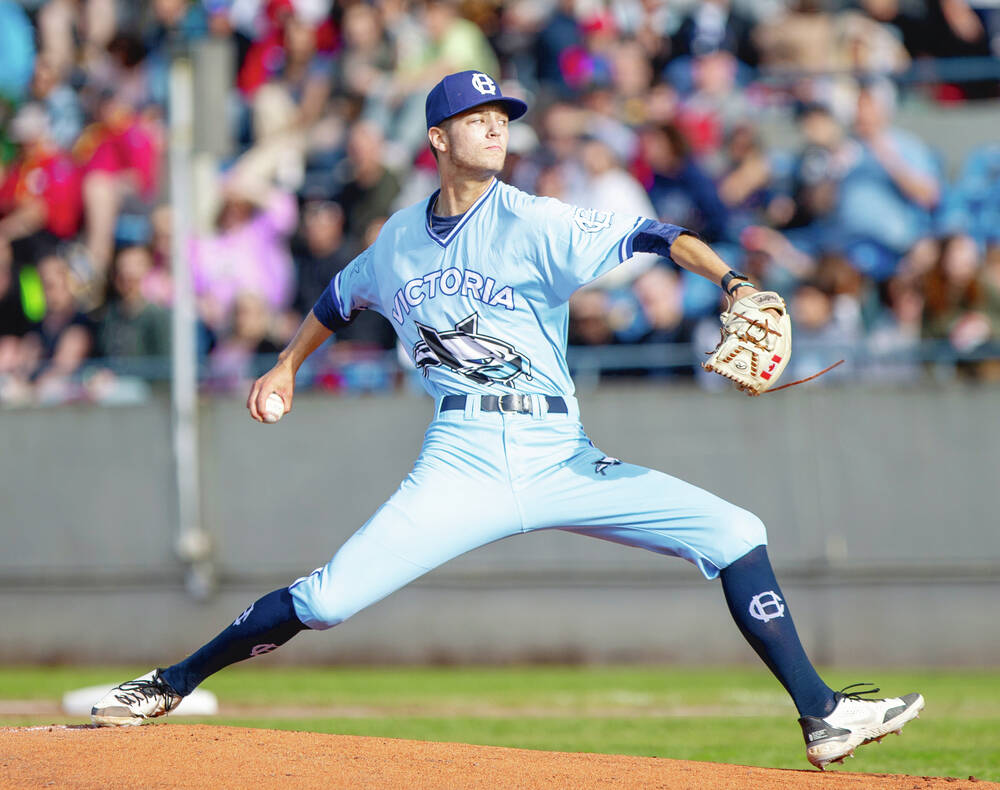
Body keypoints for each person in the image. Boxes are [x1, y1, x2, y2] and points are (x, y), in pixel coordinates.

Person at [91, 70, 923, 771]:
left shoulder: (536, 219)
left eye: (501, 119)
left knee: (735, 530)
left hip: (559, 451)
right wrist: (285, 364)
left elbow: (654, 235)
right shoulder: (396, 241)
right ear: (438, 141)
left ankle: (821, 714)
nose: (495, 130)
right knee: (331, 599)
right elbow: (337, 299)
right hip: (462, 456)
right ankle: (170, 681)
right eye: (476, 120)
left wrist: (732, 283)